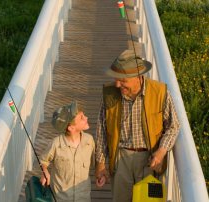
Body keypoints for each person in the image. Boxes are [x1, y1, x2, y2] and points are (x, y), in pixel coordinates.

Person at [95, 49, 180, 201]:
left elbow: (173, 126)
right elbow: (102, 131)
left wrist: (161, 152)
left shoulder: (159, 92)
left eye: (123, 80)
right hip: (121, 160)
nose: (117, 84)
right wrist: (100, 165)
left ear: (138, 77)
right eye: (116, 79)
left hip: (150, 161)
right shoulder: (109, 93)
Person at [40, 101, 95, 202]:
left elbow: (96, 162)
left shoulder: (89, 141)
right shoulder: (56, 144)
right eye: (82, 118)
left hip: (83, 198)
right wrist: (45, 172)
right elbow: (43, 160)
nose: (86, 118)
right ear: (71, 128)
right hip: (60, 198)